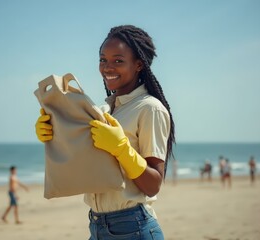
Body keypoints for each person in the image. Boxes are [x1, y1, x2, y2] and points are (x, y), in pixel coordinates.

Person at [35, 25, 175, 239]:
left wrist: (122, 149)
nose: (108, 67)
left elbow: (153, 185)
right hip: (97, 225)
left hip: (133, 227)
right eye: (103, 60)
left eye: (118, 60)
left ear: (138, 64)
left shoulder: (149, 108)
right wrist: (55, 134)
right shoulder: (105, 109)